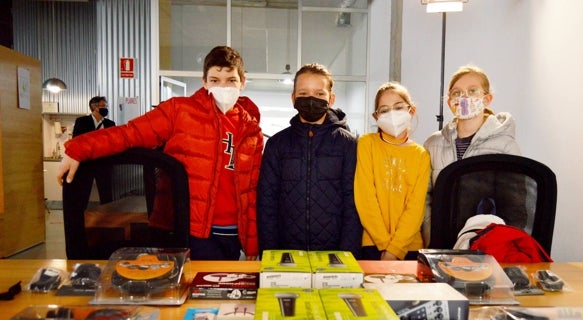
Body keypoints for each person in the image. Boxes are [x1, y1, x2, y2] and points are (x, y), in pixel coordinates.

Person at [57, 46, 264, 261]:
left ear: (242, 82)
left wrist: (251, 245)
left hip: (232, 232)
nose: (223, 86)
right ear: (204, 82)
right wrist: (78, 149)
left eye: (231, 80)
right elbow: (130, 134)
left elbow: (250, 192)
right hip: (190, 229)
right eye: (215, 80)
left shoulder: (252, 130)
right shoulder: (179, 111)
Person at [257, 63, 361, 257]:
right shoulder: (277, 144)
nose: (311, 99)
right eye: (303, 94)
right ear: (293, 98)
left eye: (319, 94)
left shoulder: (348, 144)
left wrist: (347, 255)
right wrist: (269, 253)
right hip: (286, 253)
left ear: (331, 99)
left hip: (334, 253)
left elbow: (353, 204)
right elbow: (266, 203)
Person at [423, 65, 524, 244]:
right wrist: (433, 238)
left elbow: (515, 209)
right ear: (449, 102)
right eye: (457, 93)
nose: (464, 98)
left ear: (487, 99)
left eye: (472, 91)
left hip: (485, 248)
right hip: (441, 245)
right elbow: (426, 201)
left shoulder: (505, 145)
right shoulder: (433, 144)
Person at [354, 82, 431, 260]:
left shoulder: (421, 155)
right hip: (372, 244)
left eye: (398, 107)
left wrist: (395, 249)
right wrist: (384, 244)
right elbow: (365, 198)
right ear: (376, 116)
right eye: (384, 110)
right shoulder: (367, 144)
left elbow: (416, 207)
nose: (392, 114)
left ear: (411, 111)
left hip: (409, 246)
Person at [62, 96, 115, 260]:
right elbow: (78, 140)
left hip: (104, 165)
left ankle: (108, 219)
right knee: (83, 194)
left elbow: (113, 142)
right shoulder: (82, 122)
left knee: (107, 193)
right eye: (102, 106)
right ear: (94, 107)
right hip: (85, 166)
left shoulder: (110, 124)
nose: (104, 108)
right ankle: (81, 217)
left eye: (106, 105)